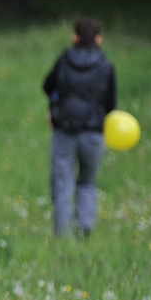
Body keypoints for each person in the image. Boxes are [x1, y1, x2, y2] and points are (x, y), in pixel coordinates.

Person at [42, 17, 117, 237]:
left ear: (74, 37)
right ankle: (84, 227)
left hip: (64, 130)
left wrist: (58, 105)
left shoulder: (63, 61)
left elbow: (47, 86)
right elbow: (111, 103)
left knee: (62, 183)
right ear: (99, 39)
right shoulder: (106, 66)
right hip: (93, 133)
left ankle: (63, 232)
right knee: (86, 181)